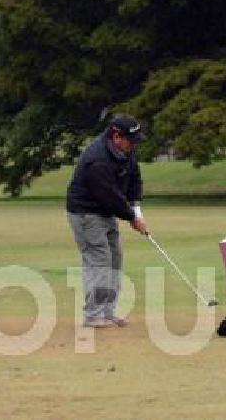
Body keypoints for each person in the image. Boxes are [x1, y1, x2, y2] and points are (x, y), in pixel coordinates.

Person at [66, 115, 149, 328]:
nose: (134, 145)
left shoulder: (126, 151)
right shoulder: (97, 159)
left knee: (115, 259)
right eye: (131, 140)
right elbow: (109, 196)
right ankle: (93, 314)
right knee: (99, 260)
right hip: (86, 213)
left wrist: (137, 210)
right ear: (116, 136)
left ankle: (108, 311)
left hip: (106, 212)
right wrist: (131, 217)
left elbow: (134, 178)